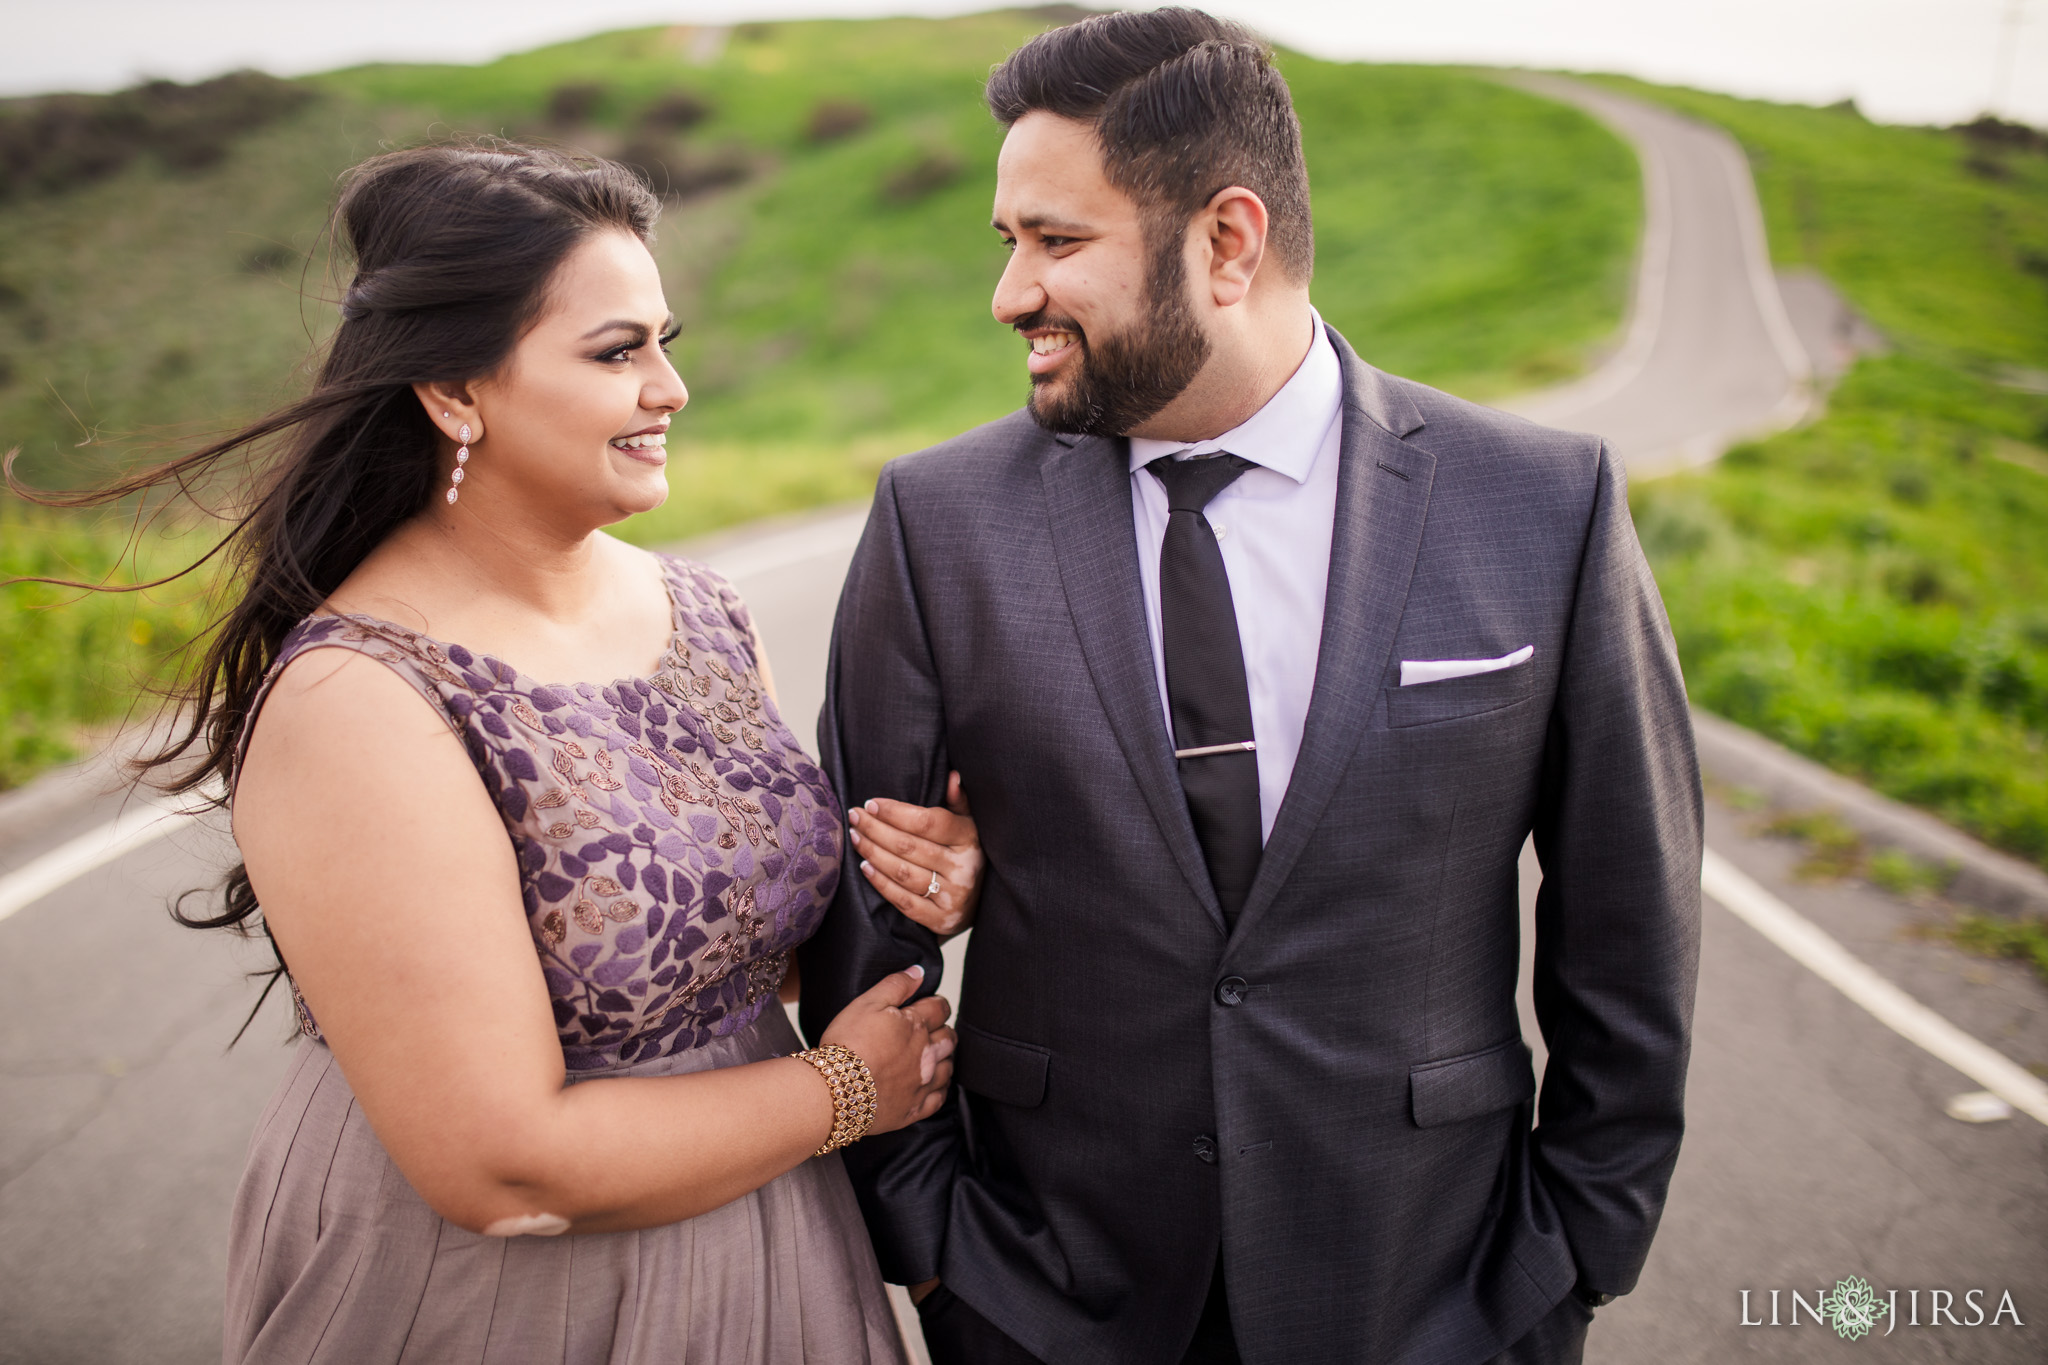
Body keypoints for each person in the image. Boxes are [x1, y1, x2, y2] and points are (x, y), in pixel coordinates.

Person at [800, 10, 1703, 1365]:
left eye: (1057, 241)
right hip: (1047, 1298)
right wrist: (935, 1258)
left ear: (1229, 242)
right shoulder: (941, 522)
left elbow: (1630, 927)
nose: (1010, 294)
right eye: (1009, 245)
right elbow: (864, 932)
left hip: (1436, 1293)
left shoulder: (1540, 505)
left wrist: (1570, 1254)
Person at [9, 143, 988, 1364]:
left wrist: (905, 887)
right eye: (616, 351)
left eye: (663, 340)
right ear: (456, 392)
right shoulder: (359, 693)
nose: (671, 387)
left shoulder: (703, 610)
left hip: (767, 1226)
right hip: (518, 1286)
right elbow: (498, 1163)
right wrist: (843, 1091)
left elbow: (710, 956)